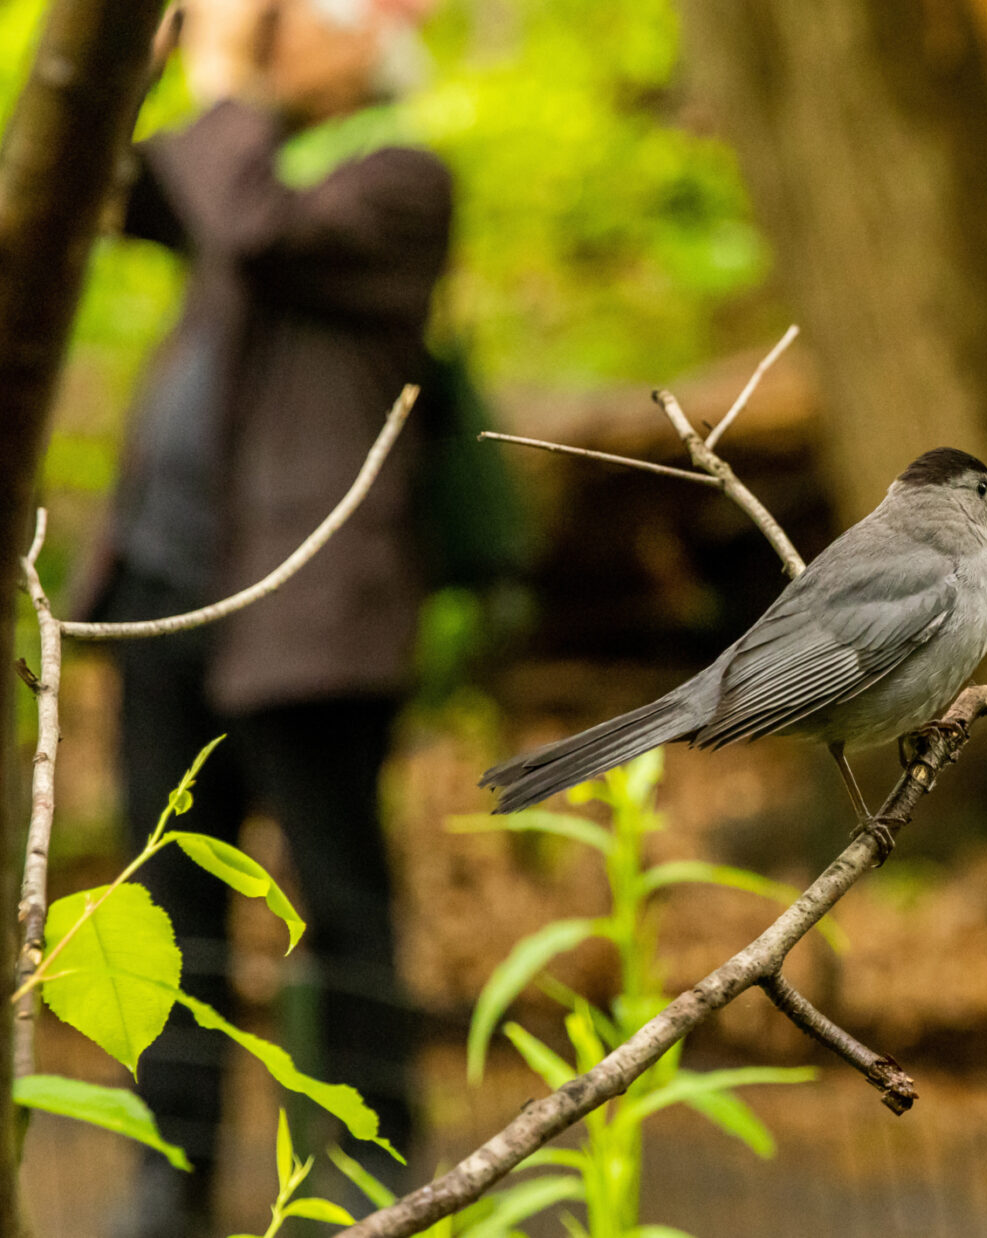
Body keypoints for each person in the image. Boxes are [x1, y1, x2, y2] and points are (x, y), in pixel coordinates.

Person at [77, 1, 451, 1233]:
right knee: (169, 897)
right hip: (164, 595)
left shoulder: (399, 183)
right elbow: (115, 188)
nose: (282, 31)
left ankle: (371, 1167)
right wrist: (151, 47)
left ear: (366, 45)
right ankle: (165, 1177)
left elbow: (248, 224)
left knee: (339, 903)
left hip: (309, 614)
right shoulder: (239, 166)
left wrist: (228, 75)